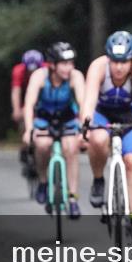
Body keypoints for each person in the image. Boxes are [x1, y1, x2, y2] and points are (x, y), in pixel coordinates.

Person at [80, 31, 132, 244]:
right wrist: (85, 126)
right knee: (97, 139)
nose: (119, 67)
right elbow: (88, 100)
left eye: (124, 62)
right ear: (108, 58)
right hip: (102, 112)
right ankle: (98, 180)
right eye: (114, 61)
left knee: (131, 161)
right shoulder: (98, 67)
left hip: (129, 113)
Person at [21, 42, 86, 218]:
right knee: (42, 145)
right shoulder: (39, 76)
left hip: (68, 119)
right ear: (52, 65)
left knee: (71, 148)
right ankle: (43, 181)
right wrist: (28, 130)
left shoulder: (75, 76)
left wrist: (84, 129)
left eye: (71, 63)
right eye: (64, 64)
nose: (69, 68)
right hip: (44, 119)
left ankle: (72, 198)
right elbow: (29, 105)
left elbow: (83, 103)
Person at [11, 49, 45, 174]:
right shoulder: (18, 71)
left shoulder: (47, 70)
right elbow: (16, 91)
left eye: (35, 70)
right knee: (24, 118)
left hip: (43, 99)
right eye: (29, 70)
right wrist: (16, 109)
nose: (32, 73)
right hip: (27, 99)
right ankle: (25, 147)